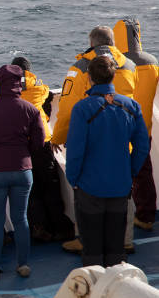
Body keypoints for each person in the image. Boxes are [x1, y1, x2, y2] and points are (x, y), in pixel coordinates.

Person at [51, 26, 138, 254]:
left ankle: (84, 239)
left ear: (91, 42)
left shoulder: (80, 68)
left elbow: (68, 109)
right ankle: (126, 239)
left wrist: (57, 137)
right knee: (124, 191)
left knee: (86, 191)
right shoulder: (129, 65)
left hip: (92, 138)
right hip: (122, 138)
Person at [65, 56, 149, 267]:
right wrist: (130, 171)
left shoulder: (83, 108)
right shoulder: (131, 106)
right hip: (120, 185)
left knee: (92, 247)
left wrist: (73, 178)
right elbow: (142, 147)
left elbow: (75, 150)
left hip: (89, 185)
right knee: (116, 247)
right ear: (113, 76)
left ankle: (94, 291)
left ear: (90, 78)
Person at [0, 57, 71, 242]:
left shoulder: (6, 89)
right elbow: (45, 93)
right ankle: (61, 228)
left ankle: (39, 228)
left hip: (22, 145)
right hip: (43, 142)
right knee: (51, 187)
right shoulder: (40, 88)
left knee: (32, 190)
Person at [0, 65, 46, 280]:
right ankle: (23, 265)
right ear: (19, 84)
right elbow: (39, 141)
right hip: (23, 170)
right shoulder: (30, 109)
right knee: (21, 218)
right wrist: (24, 153)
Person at [113, 18, 159, 231]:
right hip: (144, 127)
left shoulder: (117, 63)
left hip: (120, 129)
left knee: (119, 177)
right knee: (144, 173)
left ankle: (122, 225)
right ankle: (147, 215)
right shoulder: (152, 61)